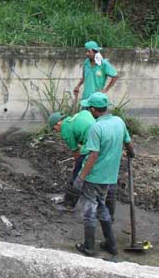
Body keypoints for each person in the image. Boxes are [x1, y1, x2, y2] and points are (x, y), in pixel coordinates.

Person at [72, 92, 135, 257]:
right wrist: (131, 152)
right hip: (109, 176)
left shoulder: (96, 127)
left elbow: (93, 155)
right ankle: (111, 244)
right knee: (102, 206)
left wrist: (81, 176)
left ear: (93, 109)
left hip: (94, 176)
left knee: (89, 210)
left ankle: (89, 247)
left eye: (88, 107)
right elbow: (128, 142)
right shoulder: (119, 121)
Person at [48, 108, 95, 210]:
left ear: (58, 123)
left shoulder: (65, 129)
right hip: (101, 139)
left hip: (91, 145)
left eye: (54, 129)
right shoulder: (79, 115)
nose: (56, 131)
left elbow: (75, 151)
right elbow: (87, 113)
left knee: (77, 175)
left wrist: (77, 164)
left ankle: (69, 204)